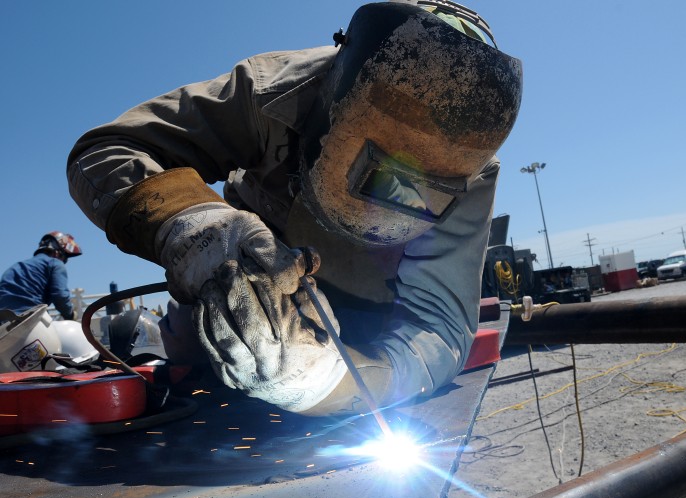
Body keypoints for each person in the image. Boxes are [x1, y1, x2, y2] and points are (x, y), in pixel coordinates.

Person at [67, 1, 522, 416]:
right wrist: (191, 225)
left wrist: (325, 383)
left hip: (375, 315)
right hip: (248, 272)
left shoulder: (470, 173)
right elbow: (108, 149)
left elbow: (439, 328)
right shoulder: (273, 93)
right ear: (333, 106)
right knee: (195, 349)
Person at [0, 232, 83, 321]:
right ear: (58, 252)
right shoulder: (55, 263)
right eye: (65, 258)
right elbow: (60, 295)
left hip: (3, 323)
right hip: (30, 320)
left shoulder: (15, 267)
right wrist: (70, 315)